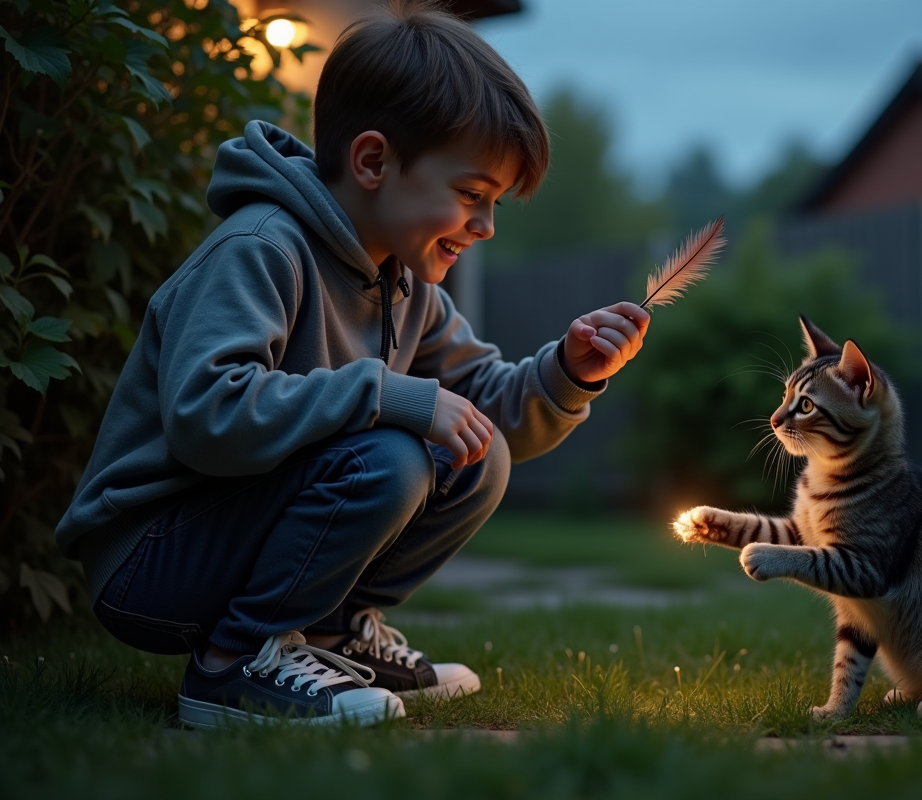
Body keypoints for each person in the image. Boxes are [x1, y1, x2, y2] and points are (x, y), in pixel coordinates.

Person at [53, 0, 650, 729]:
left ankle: (330, 639)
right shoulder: (263, 249)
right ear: (373, 161)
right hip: (149, 559)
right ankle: (233, 666)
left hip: (221, 539)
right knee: (392, 456)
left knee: (477, 451)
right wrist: (387, 395)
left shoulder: (404, 283)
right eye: (471, 196)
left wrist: (571, 369)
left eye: (495, 204)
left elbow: (485, 411)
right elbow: (207, 414)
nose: (486, 227)